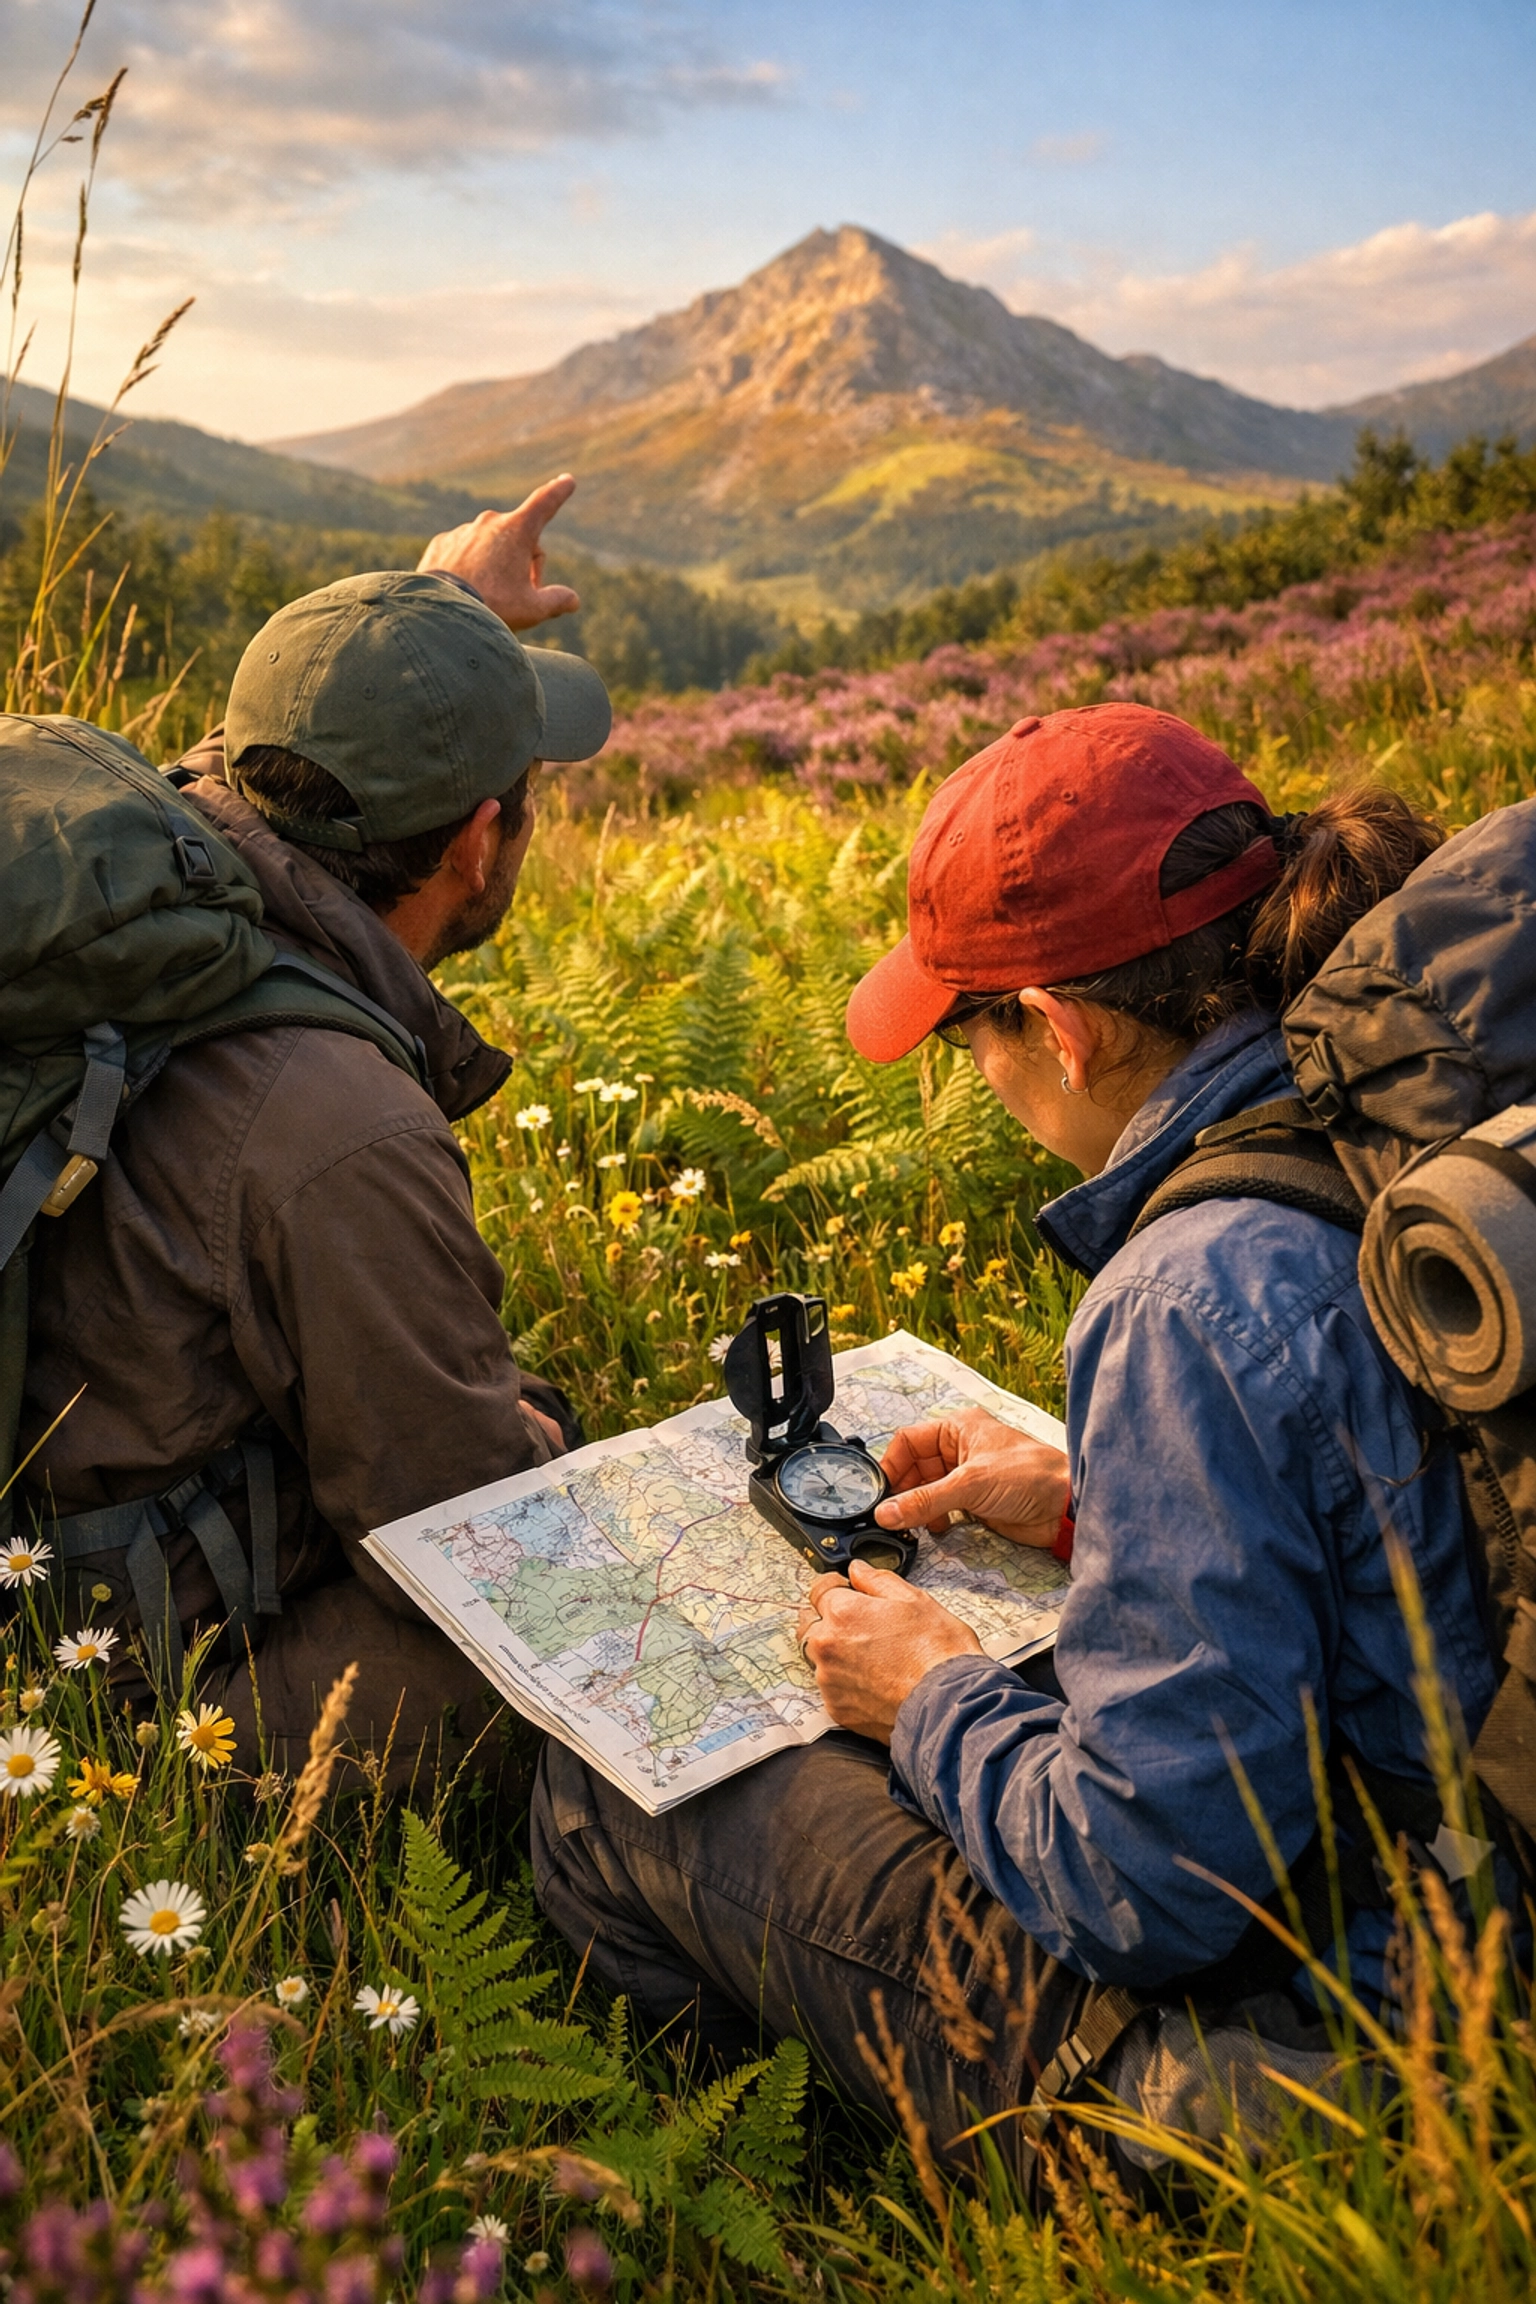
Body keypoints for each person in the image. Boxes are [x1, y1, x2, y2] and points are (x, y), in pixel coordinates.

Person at [531, 702, 1498, 2174]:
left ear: (1055, 1027)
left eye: (967, 1036)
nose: (977, 1077)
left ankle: (734, 2183)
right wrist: (1090, 1502)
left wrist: (928, 1691)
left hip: (1344, 2062)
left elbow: (1147, 1885)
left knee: (609, 1785)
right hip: (1494, 1884)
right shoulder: (1411, 1107)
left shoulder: (1185, 1295)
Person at [20, 480, 612, 1790]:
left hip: (43, 1558)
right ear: (479, 841)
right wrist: (542, 1445)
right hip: (130, 1688)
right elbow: (460, 1535)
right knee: (562, 1637)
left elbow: (318, 731)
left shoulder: (136, 877)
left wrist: (437, 614)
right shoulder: (341, 1131)